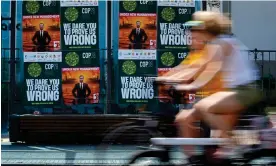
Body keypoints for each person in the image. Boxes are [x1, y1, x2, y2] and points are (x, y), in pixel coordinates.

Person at [168, 11, 262, 157]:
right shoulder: (213, 45)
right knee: (184, 118)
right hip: (231, 91)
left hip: (244, 91)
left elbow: (212, 70)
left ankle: (231, 143)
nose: (193, 33)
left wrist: (191, 86)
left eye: (196, 29)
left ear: (206, 29)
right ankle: (192, 158)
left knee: (204, 106)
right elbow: (198, 67)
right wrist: (170, 79)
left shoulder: (223, 42)